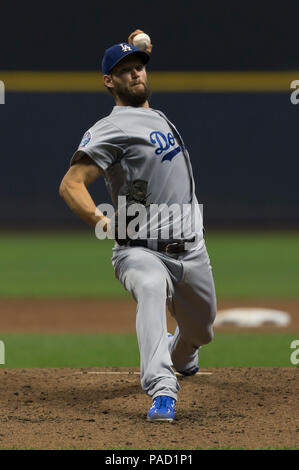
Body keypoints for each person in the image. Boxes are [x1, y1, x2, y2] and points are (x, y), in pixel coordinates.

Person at [59, 30, 217, 422]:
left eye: (138, 69)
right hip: (140, 249)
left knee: (202, 330)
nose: (135, 74)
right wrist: (99, 219)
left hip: (192, 249)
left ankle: (184, 352)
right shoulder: (111, 128)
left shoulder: (151, 114)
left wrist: (139, 49)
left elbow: (138, 59)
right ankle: (163, 390)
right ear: (108, 81)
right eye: (124, 71)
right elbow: (71, 183)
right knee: (150, 286)